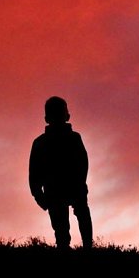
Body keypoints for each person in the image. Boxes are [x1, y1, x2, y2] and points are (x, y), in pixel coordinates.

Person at [29, 96, 93, 250]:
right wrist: (38, 195)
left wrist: (39, 194)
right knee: (62, 224)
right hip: (57, 189)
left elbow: (83, 163)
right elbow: (35, 172)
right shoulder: (41, 143)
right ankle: (74, 247)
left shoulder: (72, 138)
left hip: (69, 187)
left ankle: (85, 246)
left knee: (76, 217)